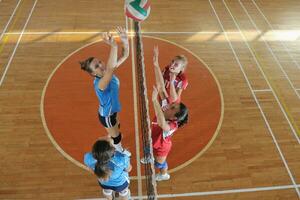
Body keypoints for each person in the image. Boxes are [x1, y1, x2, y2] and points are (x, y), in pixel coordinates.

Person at [79, 27, 129, 154]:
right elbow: (111, 68)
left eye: (99, 62)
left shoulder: (107, 72)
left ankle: (111, 135)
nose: (101, 65)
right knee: (117, 136)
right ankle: (119, 150)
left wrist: (125, 41)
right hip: (106, 115)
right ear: (93, 73)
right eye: (96, 66)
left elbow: (125, 55)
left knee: (116, 126)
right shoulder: (100, 84)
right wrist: (114, 46)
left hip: (113, 109)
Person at [142, 86, 188, 181]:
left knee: (159, 164)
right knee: (147, 148)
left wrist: (154, 100)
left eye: (173, 108)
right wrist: (170, 79)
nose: (170, 105)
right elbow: (161, 87)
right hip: (153, 139)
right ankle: (149, 157)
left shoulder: (172, 126)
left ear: (174, 118)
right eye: (172, 105)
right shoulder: (166, 108)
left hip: (161, 148)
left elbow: (161, 123)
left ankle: (164, 174)